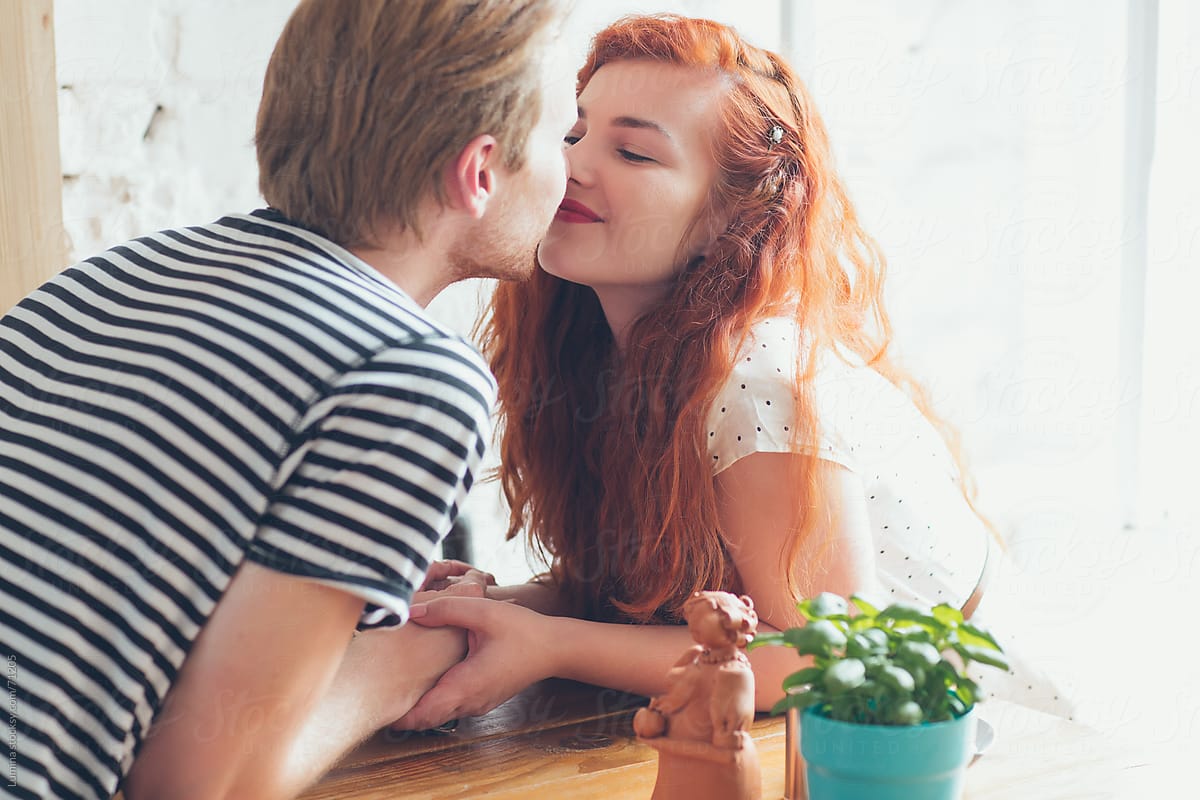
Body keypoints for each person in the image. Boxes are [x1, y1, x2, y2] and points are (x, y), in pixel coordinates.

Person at [397, 13, 1072, 731]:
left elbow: (816, 662)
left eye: (633, 153)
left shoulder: (760, 377)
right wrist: (502, 608)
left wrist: (553, 644)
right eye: (572, 133)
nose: (574, 165)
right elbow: (671, 593)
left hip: (1001, 748)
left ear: (734, 218)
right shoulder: (596, 351)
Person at [0, 0, 577, 798]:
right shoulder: (407, 371)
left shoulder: (111, 278)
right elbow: (200, 787)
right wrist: (413, 654)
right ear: (479, 172)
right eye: (564, 136)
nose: (572, 168)